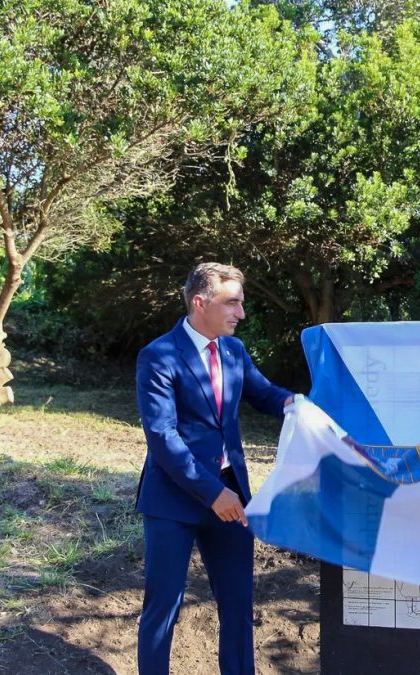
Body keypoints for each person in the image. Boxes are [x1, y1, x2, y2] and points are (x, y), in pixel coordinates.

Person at [135, 262, 295, 675]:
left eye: (242, 303)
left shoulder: (234, 350)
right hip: (174, 501)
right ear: (200, 302)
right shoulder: (158, 356)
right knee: (163, 608)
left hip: (231, 495)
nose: (240, 313)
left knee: (239, 606)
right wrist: (212, 493)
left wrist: (303, 408)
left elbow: (265, 394)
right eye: (233, 303)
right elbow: (163, 439)